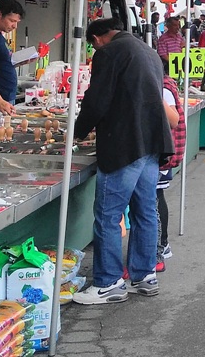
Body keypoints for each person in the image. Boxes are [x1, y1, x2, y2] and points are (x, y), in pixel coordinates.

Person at [72, 18, 174, 304]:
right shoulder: (148, 51)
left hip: (125, 143)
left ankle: (108, 283)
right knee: (145, 211)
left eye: (93, 45)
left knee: (108, 214)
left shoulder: (108, 53)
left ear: (98, 38)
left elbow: (97, 100)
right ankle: (144, 275)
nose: (94, 49)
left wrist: (78, 131)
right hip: (152, 142)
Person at [156, 57, 185, 272]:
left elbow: (172, 119)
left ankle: (161, 244)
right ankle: (161, 244)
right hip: (165, 150)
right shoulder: (166, 85)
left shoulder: (163, 89)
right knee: (156, 198)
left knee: (155, 199)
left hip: (163, 152)